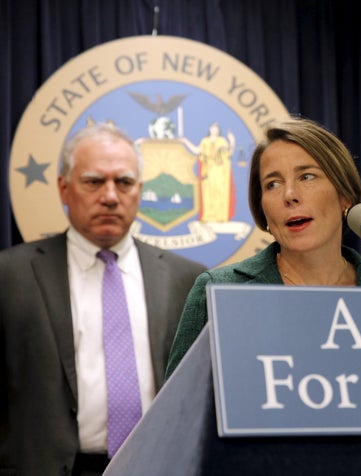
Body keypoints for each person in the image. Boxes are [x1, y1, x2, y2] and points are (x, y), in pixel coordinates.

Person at [0, 122, 207, 475]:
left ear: (139, 191)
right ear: (64, 189)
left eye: (124, 183)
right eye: (94, 182)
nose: (110, 196)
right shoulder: (10, 276)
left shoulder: (187, 279)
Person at [165, 116, 361, 379]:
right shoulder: (217, 291)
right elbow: (177, 413)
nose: (289, 195)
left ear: (344, 196)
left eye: (307, 176)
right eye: (272, 184)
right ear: (262, 208)